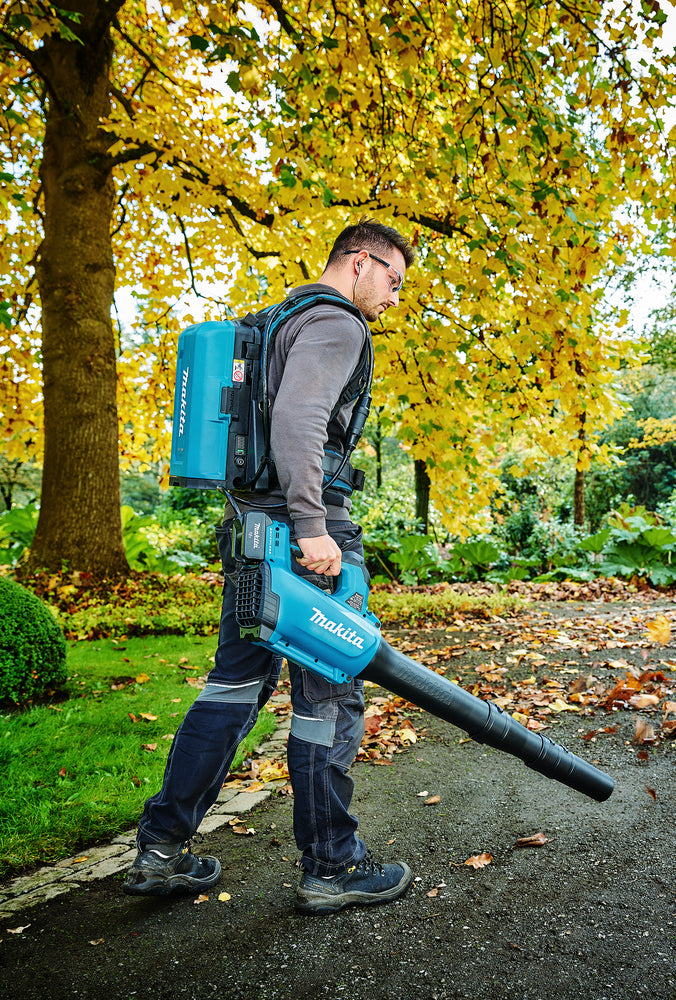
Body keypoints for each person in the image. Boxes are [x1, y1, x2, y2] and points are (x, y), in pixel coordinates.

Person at [126, 220, 417, 915]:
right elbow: (298, 419)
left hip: (255, 531)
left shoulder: (274, 322)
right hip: (306, 540)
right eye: (394, 281)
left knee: (233, 689)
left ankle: (161, 851)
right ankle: (333, 867)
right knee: (329, 696)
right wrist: (315, 528)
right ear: (360, 261)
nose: (395, 299)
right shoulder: (337, 323)